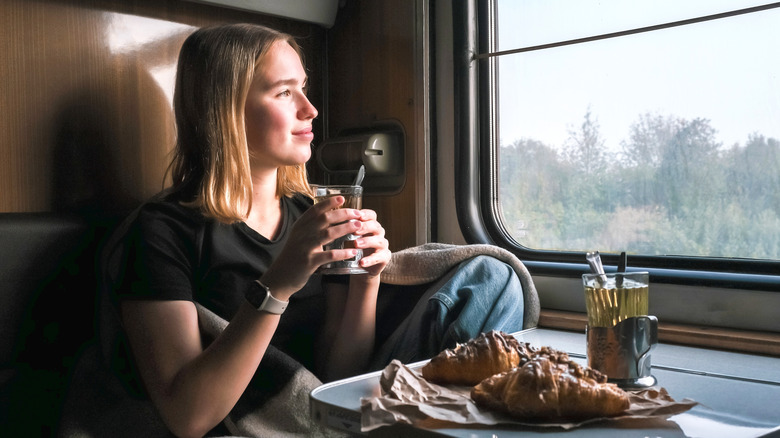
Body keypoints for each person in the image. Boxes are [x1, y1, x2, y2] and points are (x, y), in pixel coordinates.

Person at [112, 23, 527, 437]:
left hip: (330, 407)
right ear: (226, 109)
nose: (310, 109)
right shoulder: (162, 232)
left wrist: (368, 280)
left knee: (491, 278)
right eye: (283, 92)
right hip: (263, 420)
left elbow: (336, 372)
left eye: (304, 88)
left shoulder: (304, 213)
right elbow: (188, 416)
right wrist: (277, 285)